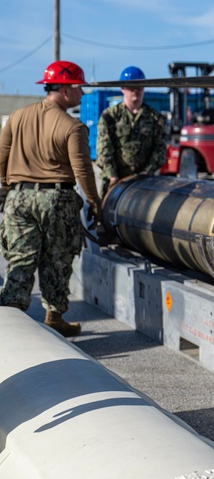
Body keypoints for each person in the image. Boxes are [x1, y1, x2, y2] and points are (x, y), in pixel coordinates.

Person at [0, 60, 102, 337]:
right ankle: (54, 317)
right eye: (79, 88)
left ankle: (11, 325)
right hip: (56, 200)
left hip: (18, 198)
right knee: (57, 260)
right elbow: (82, 169)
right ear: (66, 90)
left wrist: (4, 190)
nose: (82, 93)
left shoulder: (17, 117)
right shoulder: (72, 126)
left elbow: (2, 156)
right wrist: (95, 202)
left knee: (20, 259)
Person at [96, 66, 167, 197]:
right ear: (122, 88)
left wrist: (147, 172)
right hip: (116, 182)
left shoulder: (155, 118)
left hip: (145, 183)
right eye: (131, 87)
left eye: (140, 86)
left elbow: (160, 149)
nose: (136, 91)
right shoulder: (110, 116)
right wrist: (112, 176)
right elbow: (103, 150)